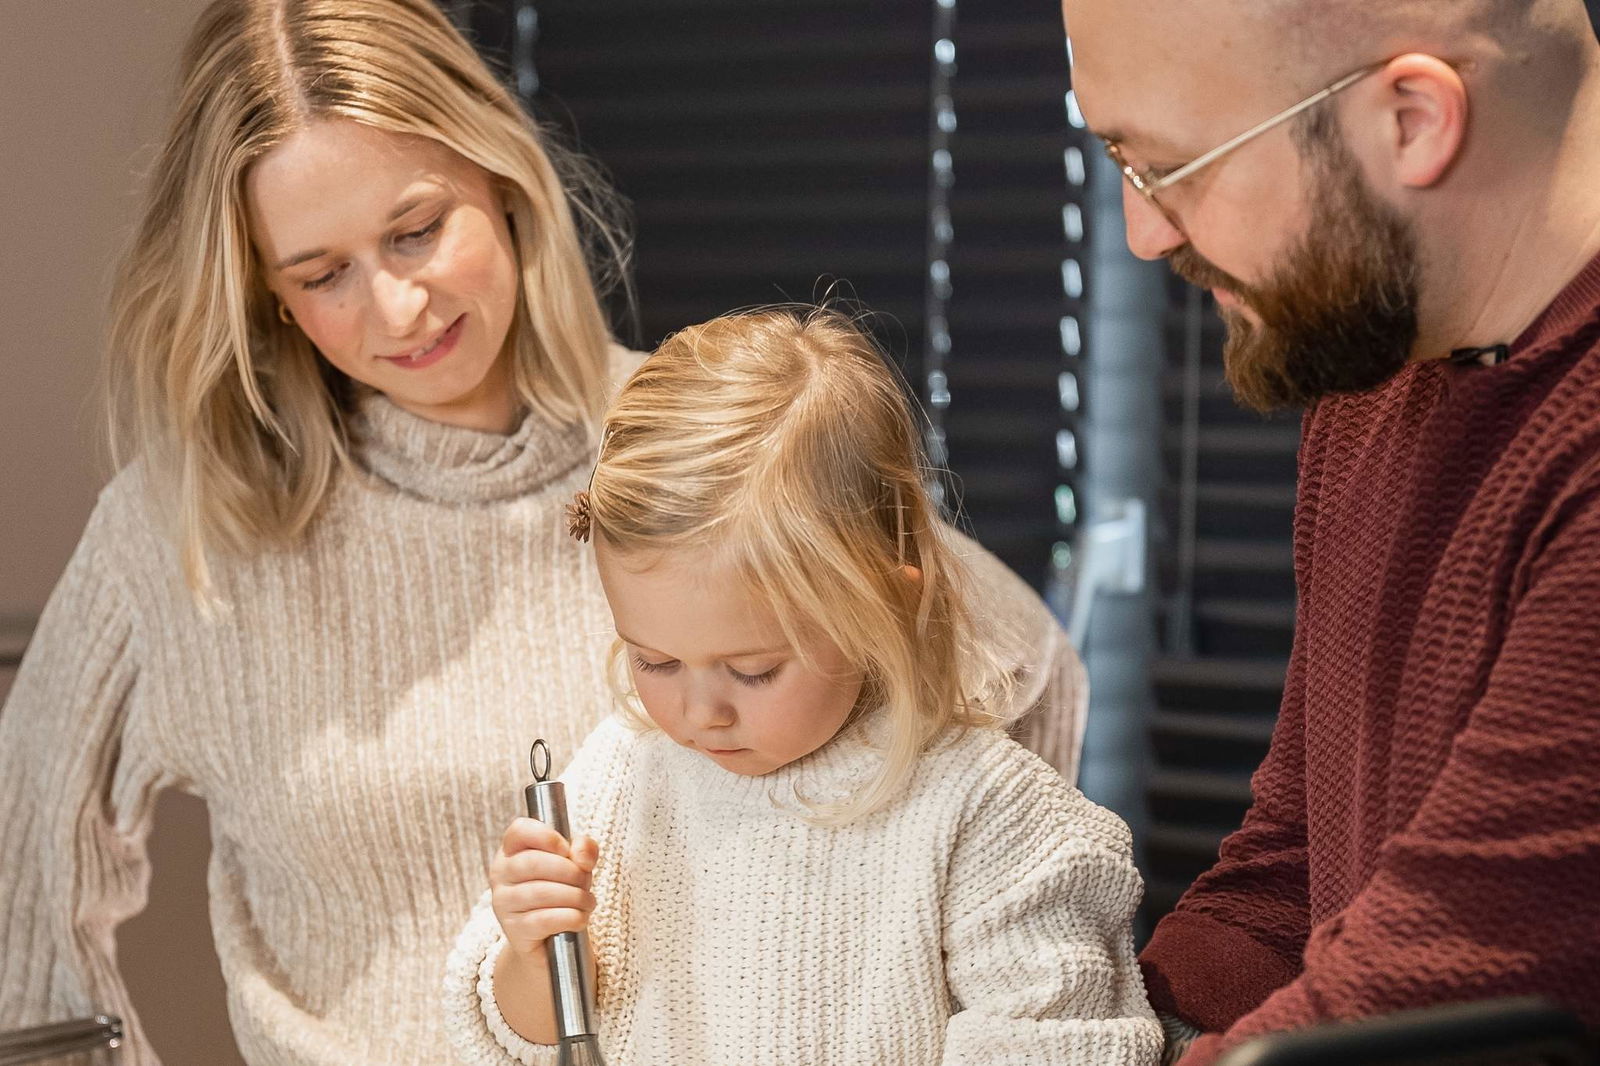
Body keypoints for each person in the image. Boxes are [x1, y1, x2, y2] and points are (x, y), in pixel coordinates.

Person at [0, 3, 1081, 1064]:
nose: (396, 307)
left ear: (504, 184)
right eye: (321, 274)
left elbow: (1026, 674)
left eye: (416, 229)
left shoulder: (692, 460)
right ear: (266, 295)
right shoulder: (182, 530)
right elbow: (24, 888)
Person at [1060, 0, 1600, 1062]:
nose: (1144, 231)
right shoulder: (1383, 369)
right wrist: (1082, 1025)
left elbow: (1427, 984)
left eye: (1168, 165)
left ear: (1410, 119)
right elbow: (1296, 873)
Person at [440, 308, 1162, 1066]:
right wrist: (537, 953)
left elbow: (1060, 1049)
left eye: (753, 670)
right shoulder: (620, 774)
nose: (699, 713)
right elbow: (514, 1037)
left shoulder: (991, 819)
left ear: (888, 603)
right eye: (654, 661)